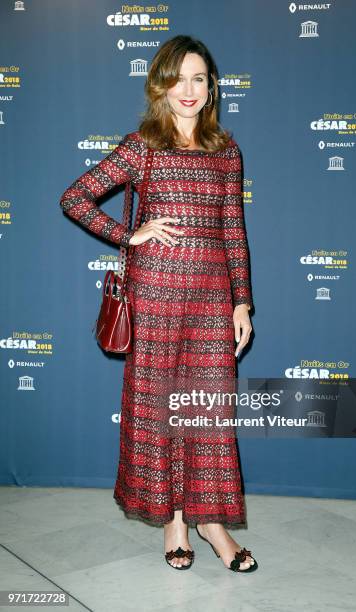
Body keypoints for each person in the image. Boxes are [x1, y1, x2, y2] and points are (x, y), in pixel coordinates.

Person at [59, 34, 257, 573]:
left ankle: (212, 523)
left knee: (208, 416)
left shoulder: (227, 151)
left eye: (199, 78)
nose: (188, 89)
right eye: (178, 78)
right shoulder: (142, 145)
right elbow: (74, 197)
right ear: (160, 85)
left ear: (211, 86)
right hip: (156, 300)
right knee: (160, 414)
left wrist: (243, 303)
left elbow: (234, 232)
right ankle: (174, 520)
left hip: (213, 302)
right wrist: (130, 234)